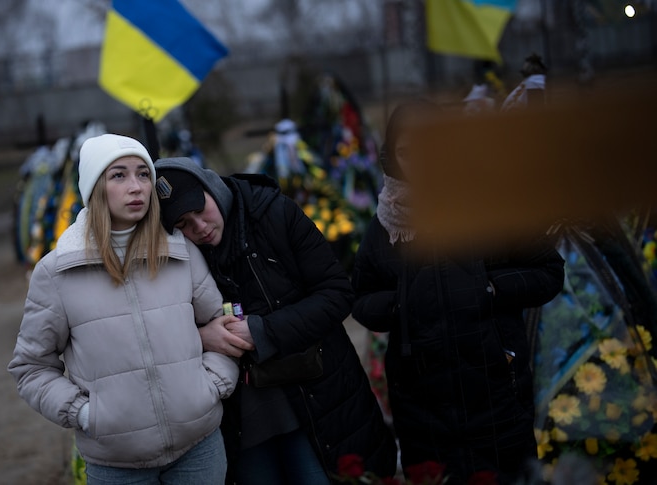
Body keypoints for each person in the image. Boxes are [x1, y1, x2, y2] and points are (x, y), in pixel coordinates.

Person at [350, 101, 565, 484]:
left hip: (496, 393)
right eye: (406, 152)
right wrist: (402, 304)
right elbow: (362, 297)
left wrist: (492, 287)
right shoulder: (385, 224)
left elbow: (547, 271)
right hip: (422, 407)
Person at [8, 134, 239, 485]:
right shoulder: (57, 273)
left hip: (199, 449)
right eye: (119, 175)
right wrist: (85, 413)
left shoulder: (180, 252)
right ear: (95, 187)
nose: (137, 187)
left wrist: (212, 387)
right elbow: (31, 367)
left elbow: (219, 320)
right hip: (117, 466)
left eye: (143, 175)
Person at [153, 157, 397, 484]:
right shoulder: (174, 256)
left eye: (200, 210)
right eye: (183, 223)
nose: (199, 227)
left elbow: (337, 293)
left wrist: (262, 331)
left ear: (211, 186)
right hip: (243, 419)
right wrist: (202, 337)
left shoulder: (274, 213)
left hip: (316, 399)